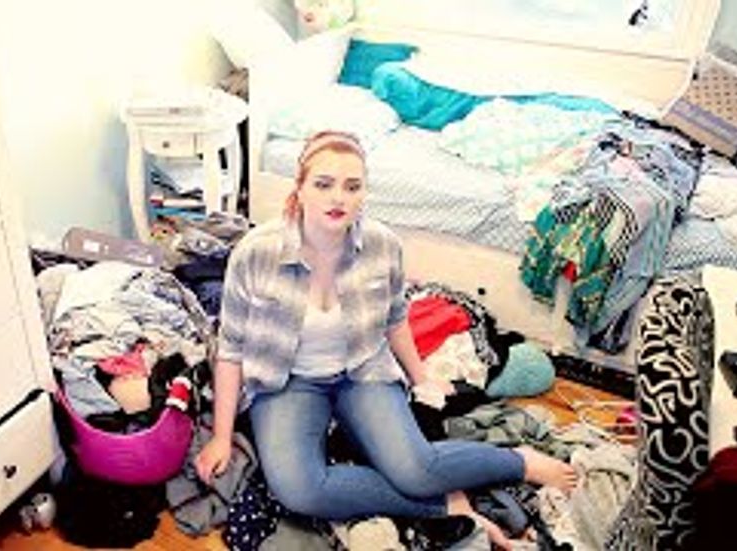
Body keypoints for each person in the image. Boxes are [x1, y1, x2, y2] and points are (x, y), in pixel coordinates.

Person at [195, 130, 576, 548]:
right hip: (287, 382)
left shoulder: (382, 245)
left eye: (352, 186)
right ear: (300, 188)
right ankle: (445, 506)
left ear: (364, 192)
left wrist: (421, 378)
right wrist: (221, 436)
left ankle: (518, 462)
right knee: (298, 489)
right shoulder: (255, 253)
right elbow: (230, 349)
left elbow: (395, 320)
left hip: (362, 373)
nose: (338, 198)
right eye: (323, 184)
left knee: (415, 469)